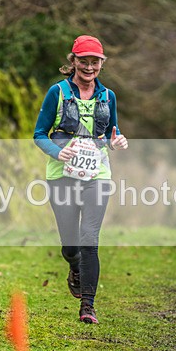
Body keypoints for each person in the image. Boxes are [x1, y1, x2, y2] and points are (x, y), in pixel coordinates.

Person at [33, 35, 129, 324]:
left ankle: (88, 306)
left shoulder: (108, 96)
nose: (89, 67)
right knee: (71, 245)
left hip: (97, 176)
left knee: (90, 238)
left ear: (101, 64)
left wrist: (117, 142)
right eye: (84, 61)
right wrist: (57, 152)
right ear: (73, 61)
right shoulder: (57, 92)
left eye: (95, 62)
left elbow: (112, 132)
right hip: (61, 176)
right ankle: (74, 265)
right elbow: (39, 134)